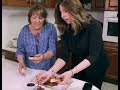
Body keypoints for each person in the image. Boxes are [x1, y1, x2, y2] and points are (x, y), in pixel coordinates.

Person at [36, 0, 109, 89]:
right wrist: (50, 72)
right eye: (61, 12)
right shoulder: (66, 28)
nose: (62, 16)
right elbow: (64, 56)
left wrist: (72, 71)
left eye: (66, 11)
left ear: (75, 10)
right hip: (77, 64)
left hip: (96, 66)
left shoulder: (94, 25)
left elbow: (93, 56)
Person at [16, 5, 57, 76]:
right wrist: (21, 62)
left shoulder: (50, 28)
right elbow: (20, 50)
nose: (37, 21)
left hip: (47, 69)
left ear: (44, 19)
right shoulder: (24, 31)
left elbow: (52, 49)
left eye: (40, 18)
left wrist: (43, 57)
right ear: (30, 19)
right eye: (34, 18)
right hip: (29, 70)